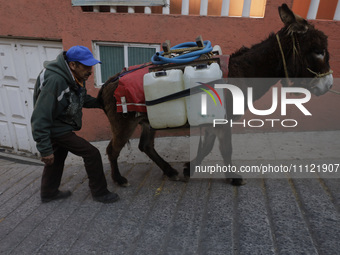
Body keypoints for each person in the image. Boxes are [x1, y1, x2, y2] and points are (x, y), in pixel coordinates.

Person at [31, 45, 119, 203]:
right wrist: (44, 149)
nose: (90, 70)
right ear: (73, 65)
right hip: (56, 127)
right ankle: (100, 193)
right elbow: (40, 117)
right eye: (86, 66)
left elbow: (80, 98)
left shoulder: (76, 77)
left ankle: (48, 192)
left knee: (57, 157)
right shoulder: (56, 81)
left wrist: (102, 103)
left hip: (61, 123)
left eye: (90, 65)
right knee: (91, 153)